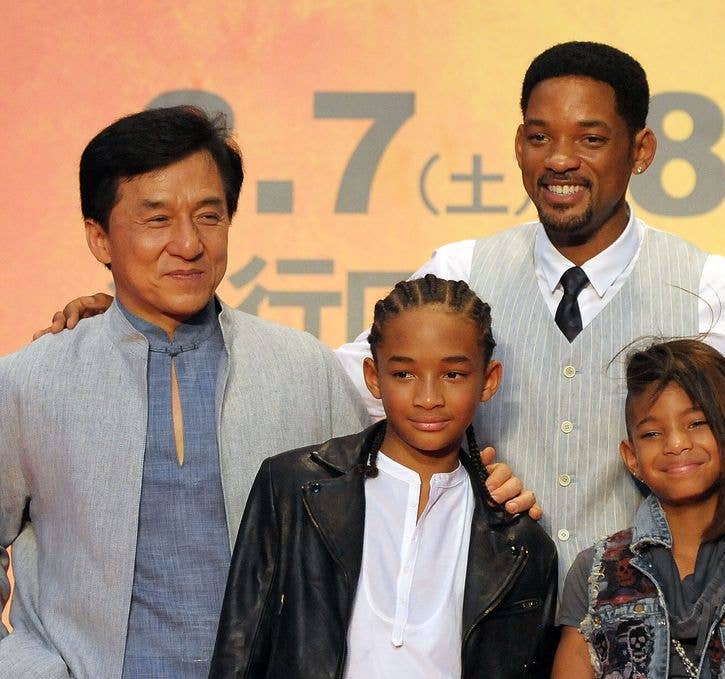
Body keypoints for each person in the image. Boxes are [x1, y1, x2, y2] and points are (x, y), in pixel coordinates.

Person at [39, 42, 725, 578]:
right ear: (518, 145)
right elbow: (330, 389)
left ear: (640, 151)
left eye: (590, 139)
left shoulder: (711, 288)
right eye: (540, 137)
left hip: (651, 634)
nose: (560, 159)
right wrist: (140, 316)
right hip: (480, 625)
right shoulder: (460, 271)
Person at [0, 107, 532, 678]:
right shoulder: (31, 383)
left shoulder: (301, 367)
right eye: (156, 220)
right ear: (99, 238)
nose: (188, 244)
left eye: (210, 215)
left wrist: (480, 484)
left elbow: (391, 493)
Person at [209, 274, 558, 677]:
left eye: (454, 375)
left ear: (489, 380)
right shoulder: (293, 487)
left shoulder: (522, 544)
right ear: (373, 378)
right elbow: (241, 647)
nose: (429, 398)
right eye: (404, 374)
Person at [553, 339, 725, 679]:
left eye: (696, 424)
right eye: (653, 433)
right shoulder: (595, 571)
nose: (676, 444)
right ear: (632, 458)